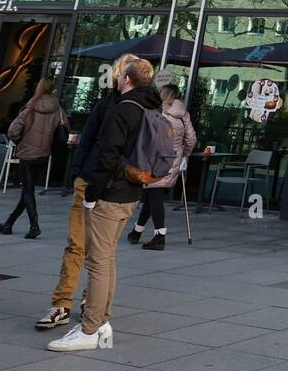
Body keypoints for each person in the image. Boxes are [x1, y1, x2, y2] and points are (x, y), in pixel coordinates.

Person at [48, 53, 159, 353]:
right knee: (107, 258)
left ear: (126, 78)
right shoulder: (151, 106)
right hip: (132, 191)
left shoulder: (124, 108)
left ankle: (90, 328)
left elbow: (107, 154)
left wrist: (91, 193)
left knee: (98, 261)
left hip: (109, 192)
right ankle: (103, 322)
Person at [34, 63, 123, 331]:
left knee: (103, 252)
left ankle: (91, 301)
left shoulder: (139, 108)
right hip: (88, 180)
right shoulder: (106, 104)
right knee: (76, 244)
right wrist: (78, 174)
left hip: (114, 188)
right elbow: (89, 138)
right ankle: (62, 303)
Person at [0, 78, 68, 239]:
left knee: (27, 191)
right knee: (28, 191)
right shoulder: (58, 109)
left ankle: (34, 225)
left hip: (27, 153)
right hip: (44, 154)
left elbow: (13, 130)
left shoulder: (31, 106)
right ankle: (9, 223)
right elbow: (64, 130)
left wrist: (20, 141)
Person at [128, 82, 196, 249]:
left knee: (155, 194)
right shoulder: (183, 114)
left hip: (155, 158)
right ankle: (137, 231)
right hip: (173, 157)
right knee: (153, 193)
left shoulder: (156, 112)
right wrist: (184, 154)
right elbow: (191, 139)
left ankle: (159, 235)